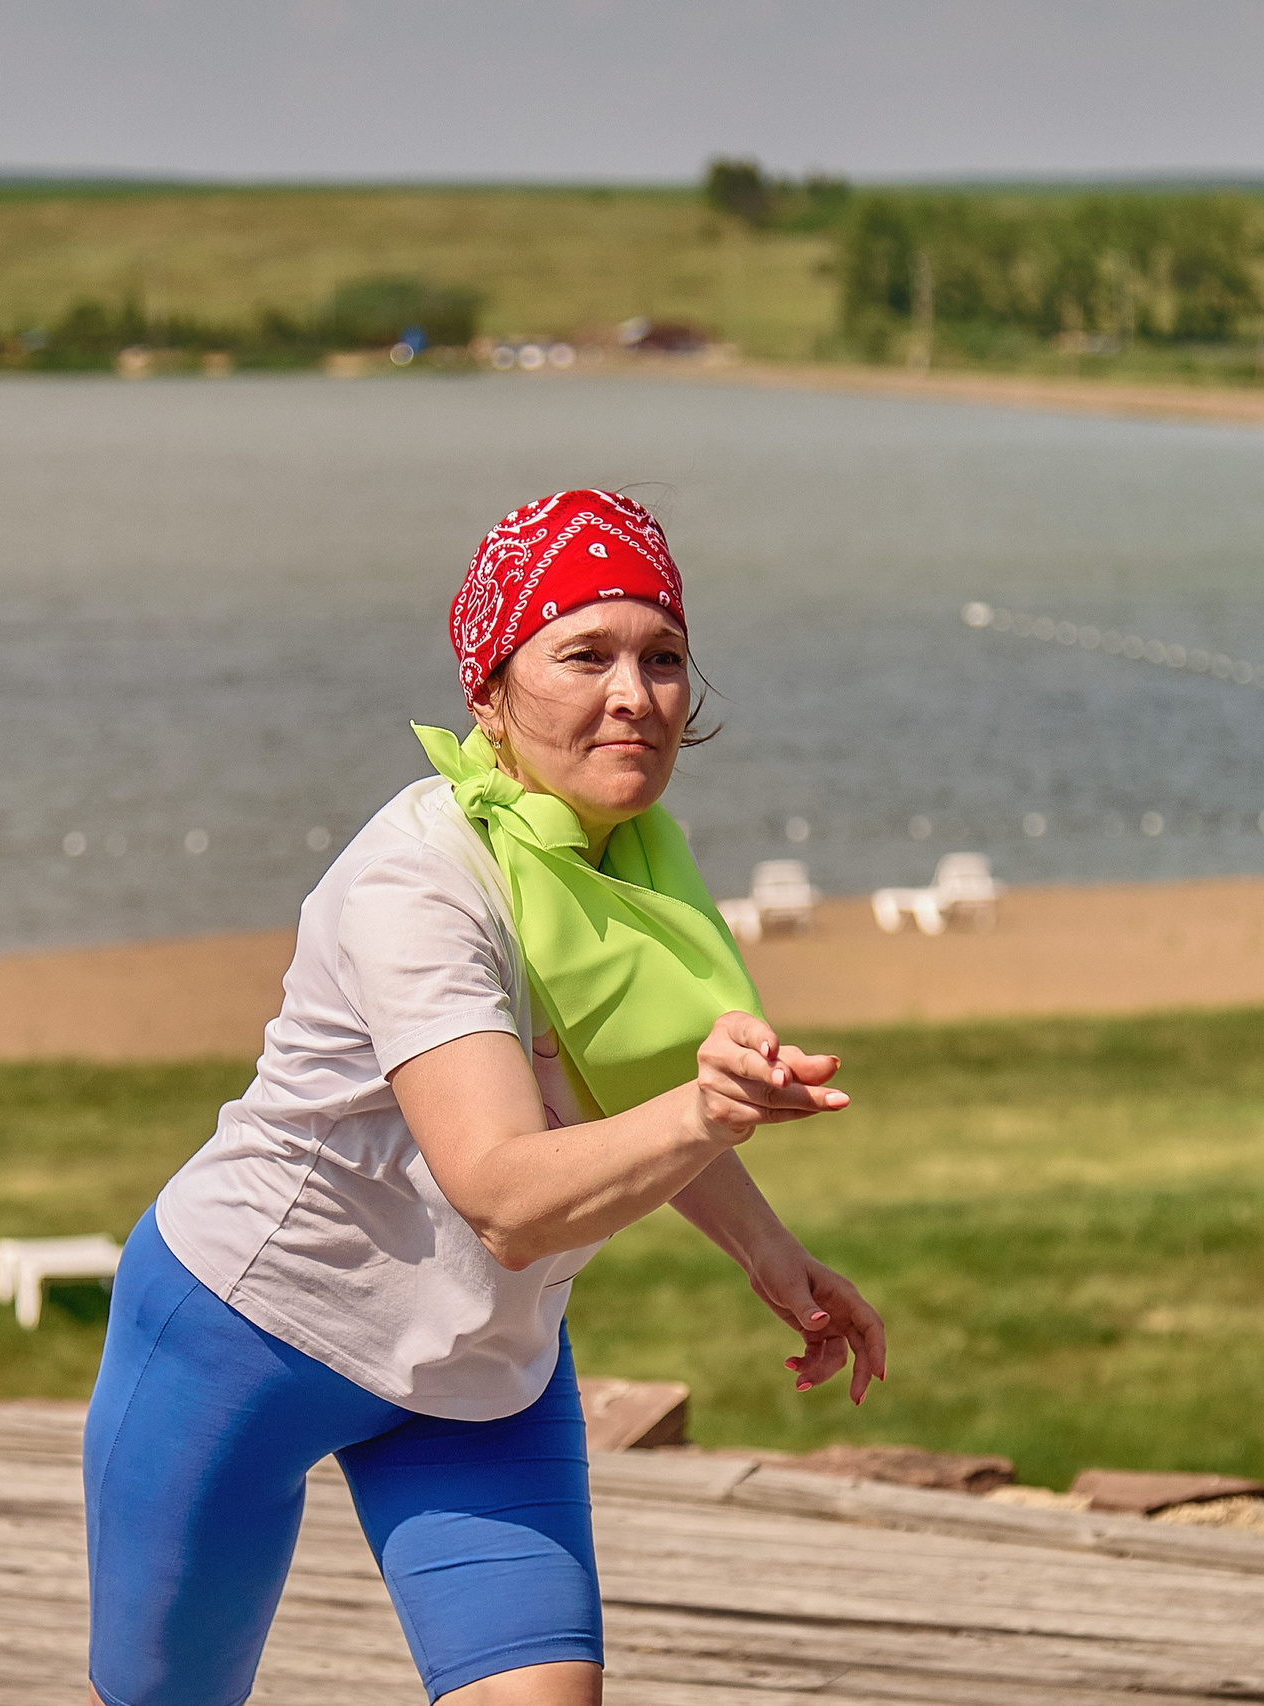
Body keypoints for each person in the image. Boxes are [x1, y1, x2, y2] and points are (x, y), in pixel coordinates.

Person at [83, 489, 886, 1706]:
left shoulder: (625, 860)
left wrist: (772, 1250)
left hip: (477, 1367)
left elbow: (625, 1088)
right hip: (248, 1332)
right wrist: (706, 1110)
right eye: (586, 653)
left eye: (663, 657)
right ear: (490, 687)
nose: (636, 694)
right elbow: (506, 1191)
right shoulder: (421, 881)